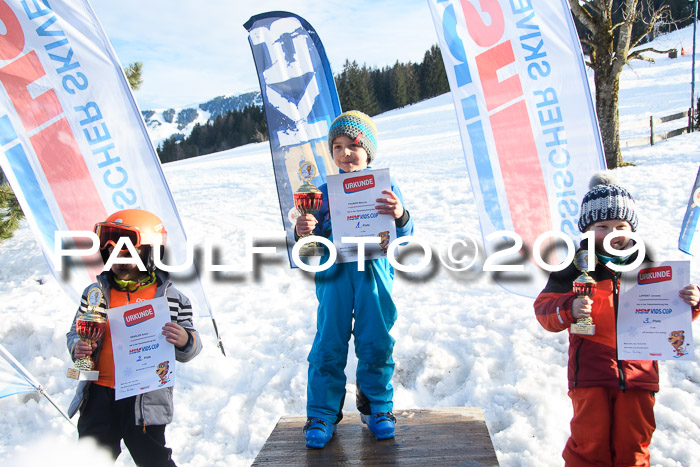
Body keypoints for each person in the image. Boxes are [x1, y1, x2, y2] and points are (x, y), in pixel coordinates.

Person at [534, 173, 700, 466]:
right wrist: (568, 307)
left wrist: (692, 302)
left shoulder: (648, 267)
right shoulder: (573, 267)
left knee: (634, 445)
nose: (613, 233)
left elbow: (670, 314)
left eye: (620, 226)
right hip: (591, 374)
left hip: (639, 374)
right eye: (602, 226)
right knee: (589, 444)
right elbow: (543, 310)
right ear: (587, 229)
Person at [295, 111, 414, 448]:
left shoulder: (386, 187)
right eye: (337, 147)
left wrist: (400, 215)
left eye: (353, 146)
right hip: (334, 276)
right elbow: (307, 245)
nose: (345, 153)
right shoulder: (321, 193)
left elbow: (406, 234)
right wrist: (303, 230)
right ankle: (321, 413)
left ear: (369, 151)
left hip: (374, 274)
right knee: (329, 342)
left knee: (376, 339)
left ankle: (377, 407)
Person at [66, 209, 202, 466]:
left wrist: (184, 339)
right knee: (90, 459)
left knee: (153, 459)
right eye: (112, 253)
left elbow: (191, 345)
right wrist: (77, 346)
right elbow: (75, 331)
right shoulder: (95, 294)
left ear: (151, 252)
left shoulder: (172, 299)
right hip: (98, 394)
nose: (119, 260)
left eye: (128, 253)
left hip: (145, 399)